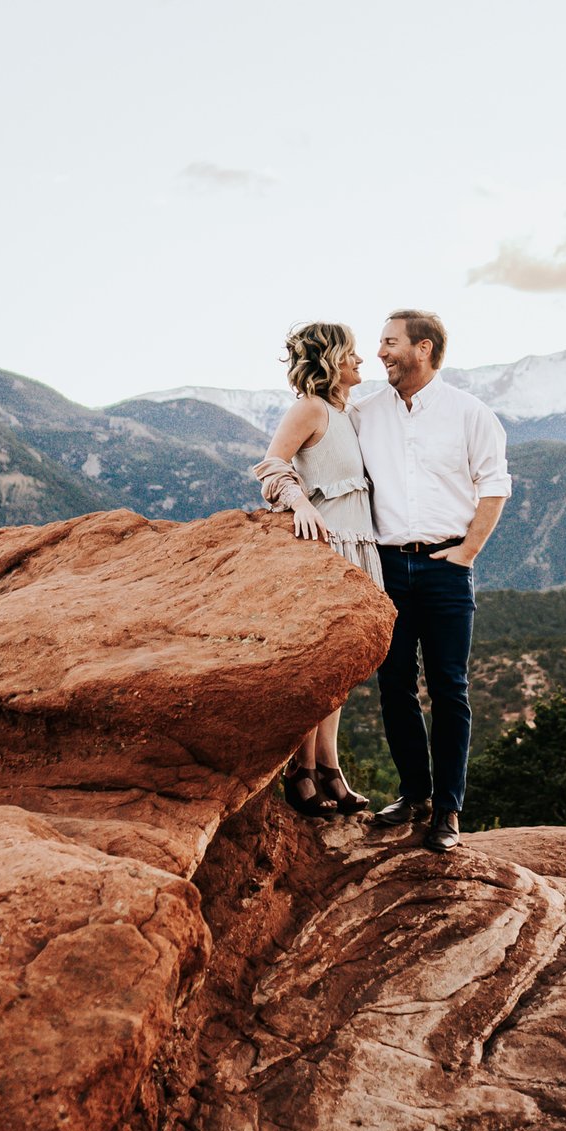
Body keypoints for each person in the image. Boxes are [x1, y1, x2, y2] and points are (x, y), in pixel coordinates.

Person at [352, 309, 510, 852]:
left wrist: (467, 551)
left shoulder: (471, 413)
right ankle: (414, 793)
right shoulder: (364, 413)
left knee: (449, 689)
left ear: (423, 349)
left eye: (389, 342)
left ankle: (448, 809)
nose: (380, 353)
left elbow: (495, 485)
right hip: (386, 567)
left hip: (446, 568)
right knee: (393, 686)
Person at [251, 321, 380, 817]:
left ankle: (329, 767)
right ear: (331, 359)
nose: (361, 362)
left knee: (341, 671)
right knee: (319, 668)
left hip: (360, 545)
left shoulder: (347, 413)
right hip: (328, 544)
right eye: (352, 354)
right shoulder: (310, 408)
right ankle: (302, 771)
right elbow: (271, 464)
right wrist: (299, 503)